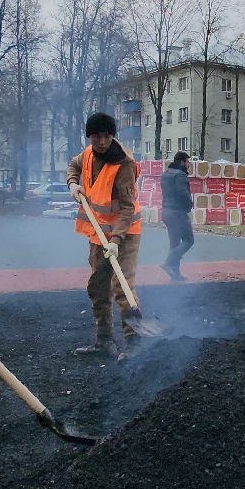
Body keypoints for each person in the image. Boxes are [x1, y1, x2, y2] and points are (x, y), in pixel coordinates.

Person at [67, 112, 144, 355]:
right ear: (89, 136)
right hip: (98, 232)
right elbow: (74, 164)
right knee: (98, 286)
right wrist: (72, 183)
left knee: (122, 286)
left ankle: (133, 344)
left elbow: (127, 208)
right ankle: (104, 341)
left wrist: (116, 241)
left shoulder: (124, 164)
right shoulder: (88, 154)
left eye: (107, 136)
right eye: (96, 136)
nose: (102, 141)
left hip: (125, 232)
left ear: (113, 136)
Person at [161, 150, 195, 282]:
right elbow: (183, 194)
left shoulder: (165, 174)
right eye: (187, 162)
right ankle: (168, 262)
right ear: (182, 162)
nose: (188, 165)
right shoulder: (180, 175)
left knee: (174, 243)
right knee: (188, 240)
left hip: (166, 212)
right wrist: (189, 206)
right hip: (178, 212)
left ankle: (175, 274)